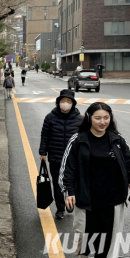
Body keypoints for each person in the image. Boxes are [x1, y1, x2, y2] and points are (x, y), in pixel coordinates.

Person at [59, 102, 130, 258]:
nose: (103, 122)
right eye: (98, 118)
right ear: (89, 118)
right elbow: (68, 168)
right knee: (85, 235)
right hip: (86, 198)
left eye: (106, 118)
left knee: (109, 238)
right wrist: (68, 191)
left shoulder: (117, 139)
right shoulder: (78, 140)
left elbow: (128, 166)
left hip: (113, 199)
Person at [39, 89, 82, 219]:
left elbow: (84, 139)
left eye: (68, 101)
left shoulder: (80, 119)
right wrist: (42, 152)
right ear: (58, 102)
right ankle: (60, 209)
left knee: (72, 183)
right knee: (58, 185)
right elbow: (45, 135)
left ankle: (70, 202)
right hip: (56, 157)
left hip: (73, 159)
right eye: (63, 101)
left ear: (73, 103)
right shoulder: (50, 117)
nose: (65, 103)